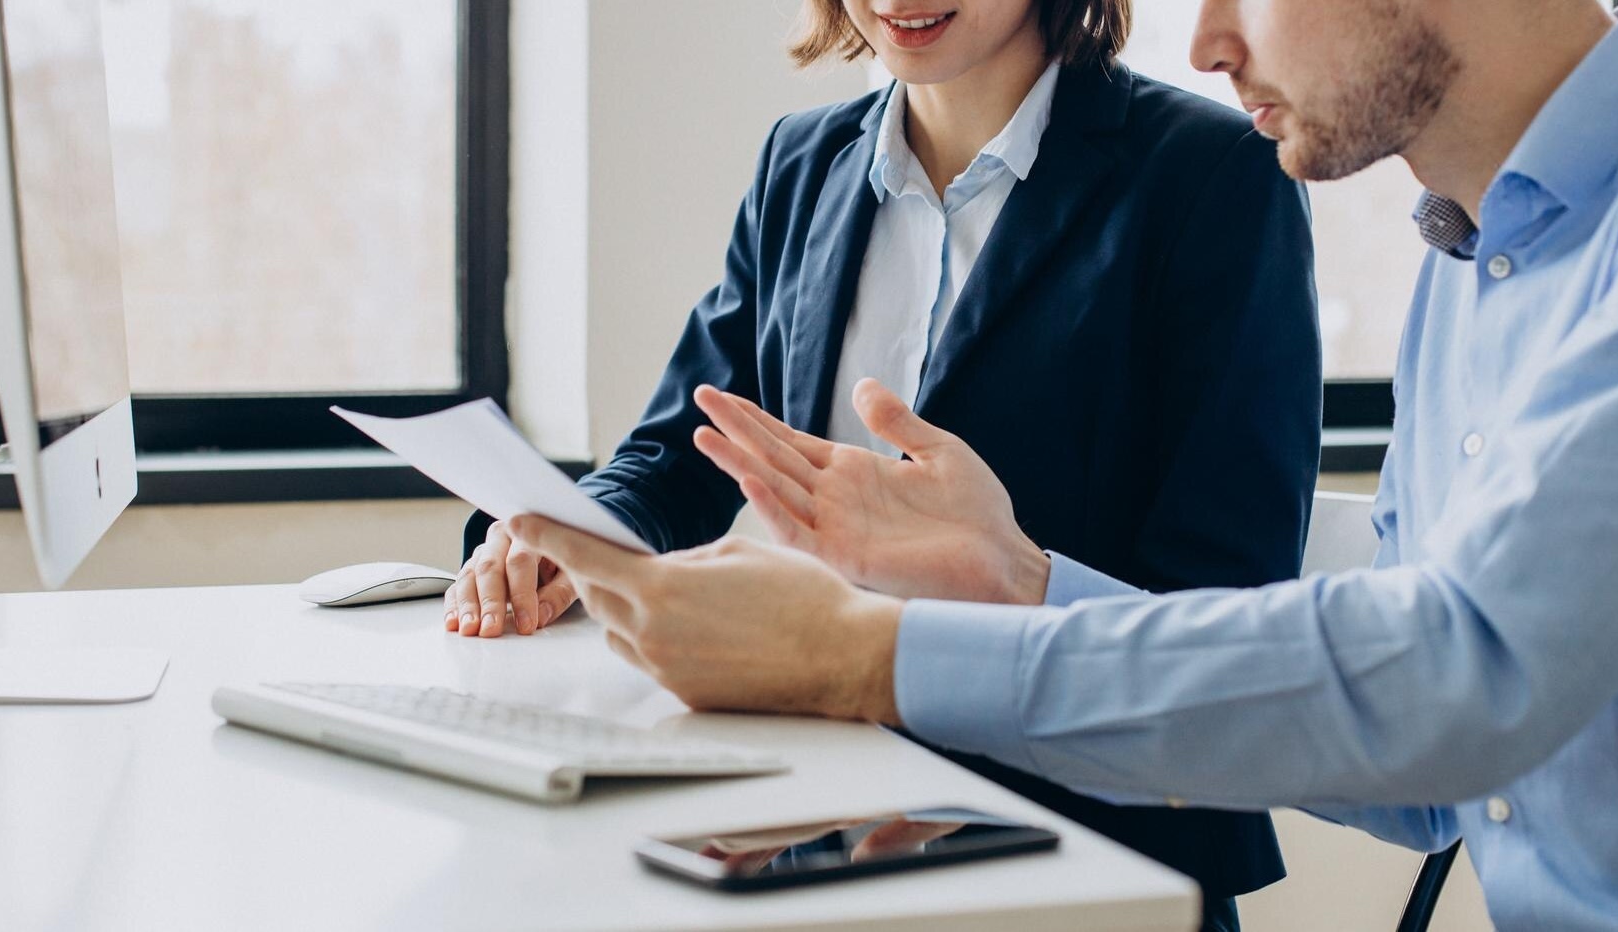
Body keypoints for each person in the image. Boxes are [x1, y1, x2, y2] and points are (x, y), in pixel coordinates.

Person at [509, 0, 1618, 927]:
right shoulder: (1467, 267)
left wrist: (862, 653)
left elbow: (1458, 672)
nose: (1203, 42)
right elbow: (1434, 781)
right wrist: (1021, 581)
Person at [447, 0, 1322, 923]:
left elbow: (1227, 610)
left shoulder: (1214, 173)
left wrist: (1003, 584)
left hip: (1084, 853)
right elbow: (681, 449)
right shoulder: (802, 161)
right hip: (815, 829)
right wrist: (570, 535)